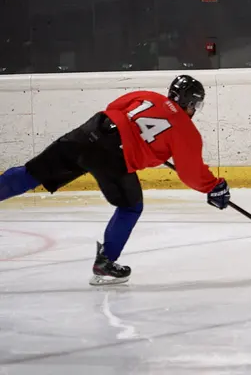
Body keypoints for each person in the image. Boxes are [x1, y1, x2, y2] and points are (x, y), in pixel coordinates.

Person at [0, 75, 231, 285]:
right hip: (113, 156)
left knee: (33, 172)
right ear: (191, 103)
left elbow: (115, 108)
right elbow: (190, 172)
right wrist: (214, 187)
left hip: (88, 132)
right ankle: (106, 263)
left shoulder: (147, 96)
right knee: (131, 207)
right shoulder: (185, 130)